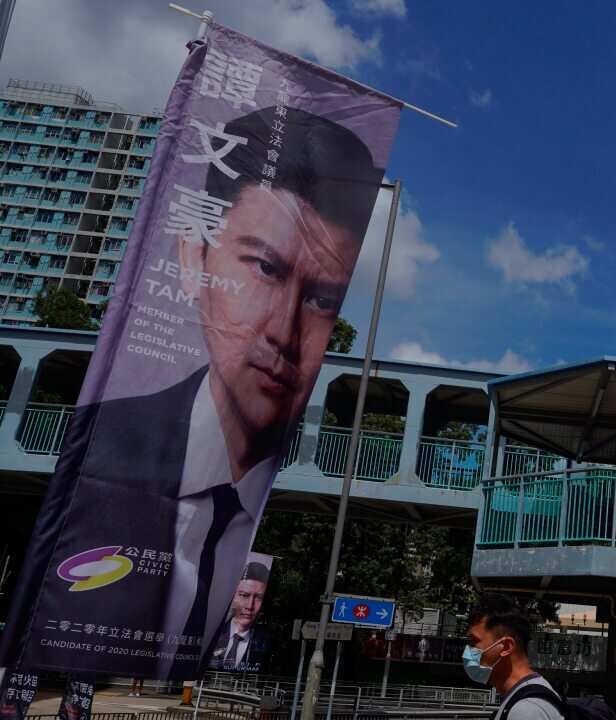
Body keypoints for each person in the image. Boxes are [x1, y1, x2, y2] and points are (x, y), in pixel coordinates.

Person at [28, 104, 383, 680]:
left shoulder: (280, 483)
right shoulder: (101, 444)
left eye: (322, 299)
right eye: (264, 268)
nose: (283, 330)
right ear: (194, 256)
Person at [464, 594, 563, 720]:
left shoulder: (526, 711)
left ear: (506, 647)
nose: (468, 650)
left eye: (474, 641)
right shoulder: (522, 698)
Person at [209, 561, 271, 671]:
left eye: (258, 598)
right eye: (244, 595)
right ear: (233, 596)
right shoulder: (212, 633)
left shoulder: (265, 642)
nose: (250, 606)